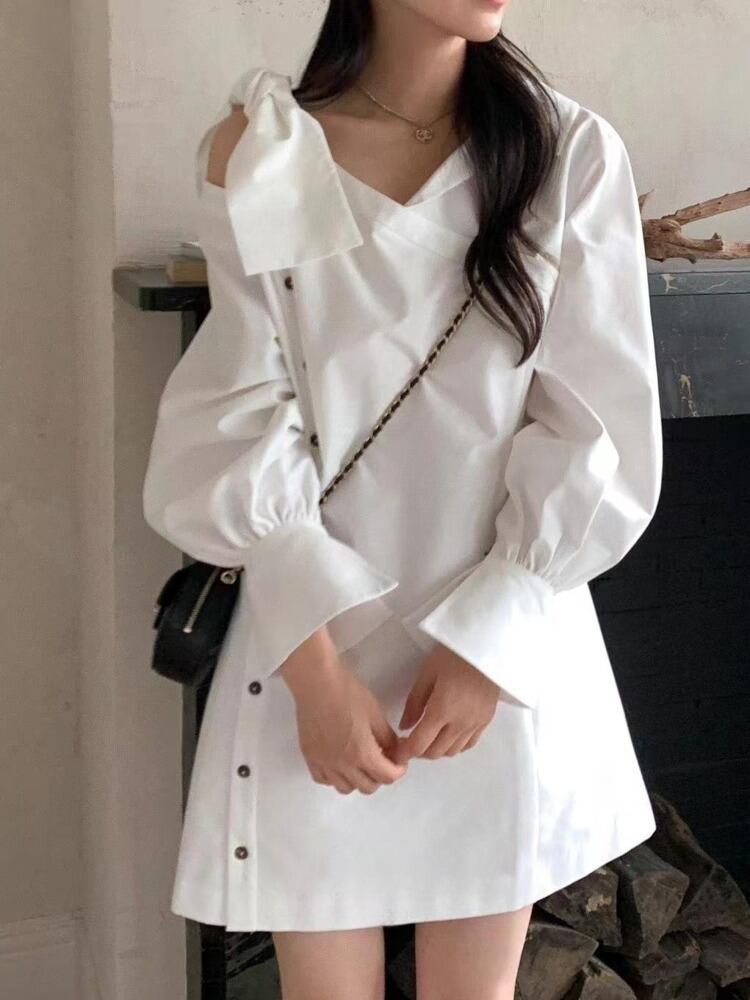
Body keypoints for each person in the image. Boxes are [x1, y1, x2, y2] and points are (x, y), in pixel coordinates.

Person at [142, 1, 663, 997]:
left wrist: (487, 645)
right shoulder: (264, 148)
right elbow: (242, 416)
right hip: (313, 653)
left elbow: (594, 426)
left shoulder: (566, 152)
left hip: (494, 657)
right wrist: (316, 676)